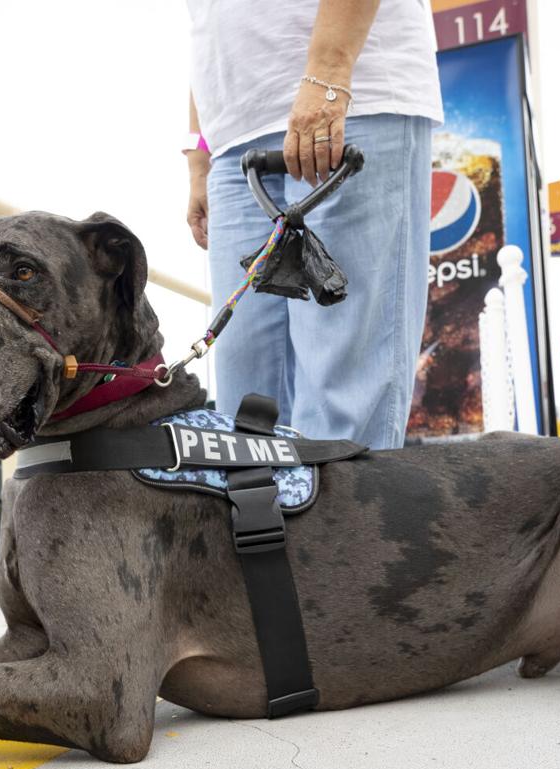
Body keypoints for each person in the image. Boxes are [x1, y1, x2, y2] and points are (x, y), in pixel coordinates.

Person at [185, 0, 442, 449]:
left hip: (351, 99)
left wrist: (329, 73)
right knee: (244, 414)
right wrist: (200, 152)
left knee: (339, 412)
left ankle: (348, 522)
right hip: (232, 138)